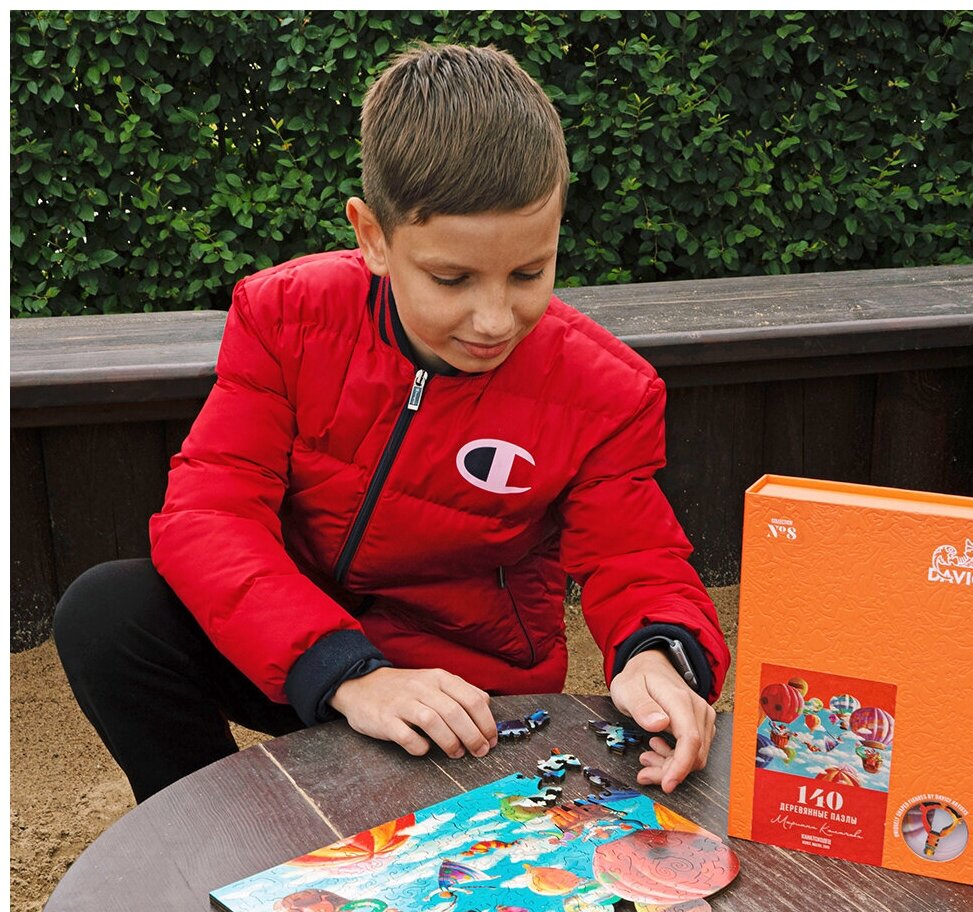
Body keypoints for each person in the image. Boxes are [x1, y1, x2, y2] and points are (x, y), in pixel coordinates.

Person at [54, 43, 730, 805]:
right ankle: (215, 843)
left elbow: (634, 558)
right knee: (108, 614)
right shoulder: (284, 316)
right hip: (305, 657)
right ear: (373, 237)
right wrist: (347, 673)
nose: (494, 318)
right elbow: (209, 514)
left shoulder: (606, 390)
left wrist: (658, 653)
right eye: (452, 278)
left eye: (528, 272)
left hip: (464, 700)